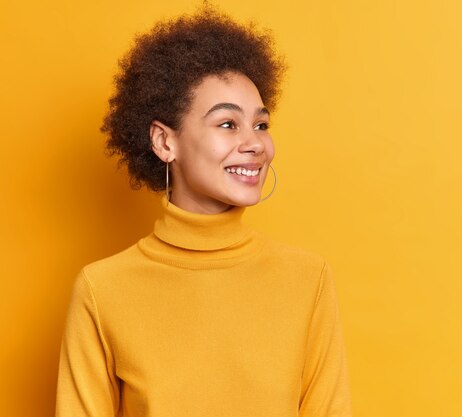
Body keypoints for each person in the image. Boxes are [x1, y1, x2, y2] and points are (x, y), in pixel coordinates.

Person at [55, 5, 353, 417]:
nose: (255, 144)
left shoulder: (308, 280)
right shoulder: (102, 290)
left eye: (261, 125)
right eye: (228, 124)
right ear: (164, 142)